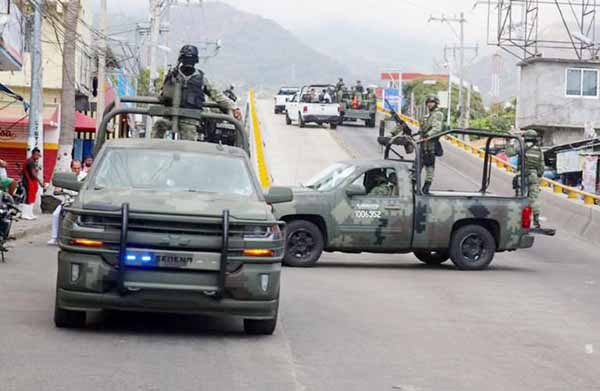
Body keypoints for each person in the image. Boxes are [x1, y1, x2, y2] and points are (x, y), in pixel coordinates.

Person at [153, 45, 241, 140]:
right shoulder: (173, 75)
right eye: (186, 60)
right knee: (159, 125)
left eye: (190, 60)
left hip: (190, 120)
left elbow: (217, 95)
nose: (188, 63)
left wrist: (233, 107)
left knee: (188, 145)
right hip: (170, 116)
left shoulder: (201, 78)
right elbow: (162, 95)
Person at [48, 160, 87, 245]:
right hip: (68, 200)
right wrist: (59, 190)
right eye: (74, 168)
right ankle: (54, 237)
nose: (76, 170)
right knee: (55, 214)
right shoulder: (67, 176)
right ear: (71, 168)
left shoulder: (85, 176)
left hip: (80, 201)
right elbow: (57, 189)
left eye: (78, 168)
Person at [515, 130, 545, 228]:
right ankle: (536, 221)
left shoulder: (521, 146)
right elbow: (541, 166)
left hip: (522, 174)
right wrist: (538, 176)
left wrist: (508, 143)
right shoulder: (539, 150)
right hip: (534, 175)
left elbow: (509, 153)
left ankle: (518, 219)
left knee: (520, 197)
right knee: (534, 199)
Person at [418, 95, 445, 194]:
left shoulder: (437, 114)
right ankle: (414, 186)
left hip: (430, 145)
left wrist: (427, 134)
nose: (429, 104)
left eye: (432, 102)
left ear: (436, 103)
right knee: (416, 166)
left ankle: (426, 187)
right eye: (428, 102)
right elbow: (422, 129)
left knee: (429, 167)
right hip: (422, 144)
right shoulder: (427, 116)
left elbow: (437, 128)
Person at [21, 148, 44, 220]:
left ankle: (30, 214)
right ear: (33, 154)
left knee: (32, 197)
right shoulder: (30, 162)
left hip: (31, 182)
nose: (38, 157)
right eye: (37, 155)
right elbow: (33, 174)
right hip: (28, 182)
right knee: (28, 198)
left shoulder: (31, 161)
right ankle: (25, 214)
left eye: (39, 155)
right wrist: (40, 182)